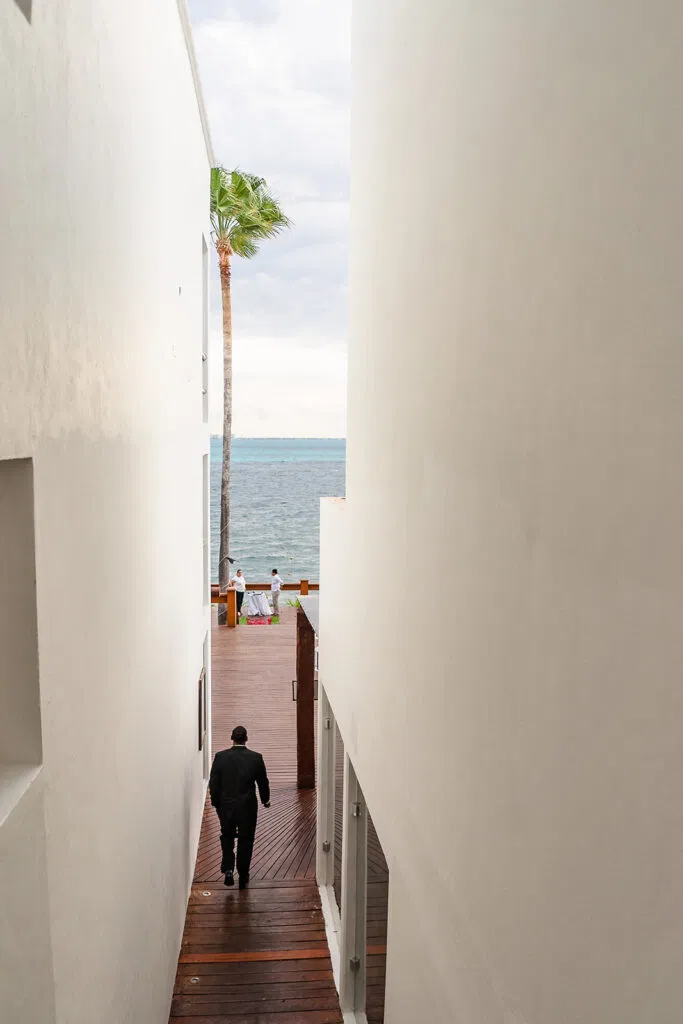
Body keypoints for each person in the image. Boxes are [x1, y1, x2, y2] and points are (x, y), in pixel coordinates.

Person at [209, 726, 270, 889]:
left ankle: (228, 869)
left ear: (232, 738)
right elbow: (262, 782)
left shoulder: (220, 757)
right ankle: (243, 874)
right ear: (246, 739)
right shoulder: (256, 758)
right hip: (247, 807)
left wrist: (216, 802)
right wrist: (265, 800)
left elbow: (214, 783)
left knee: (227, 836)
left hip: (226, 806)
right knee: (246, 839)